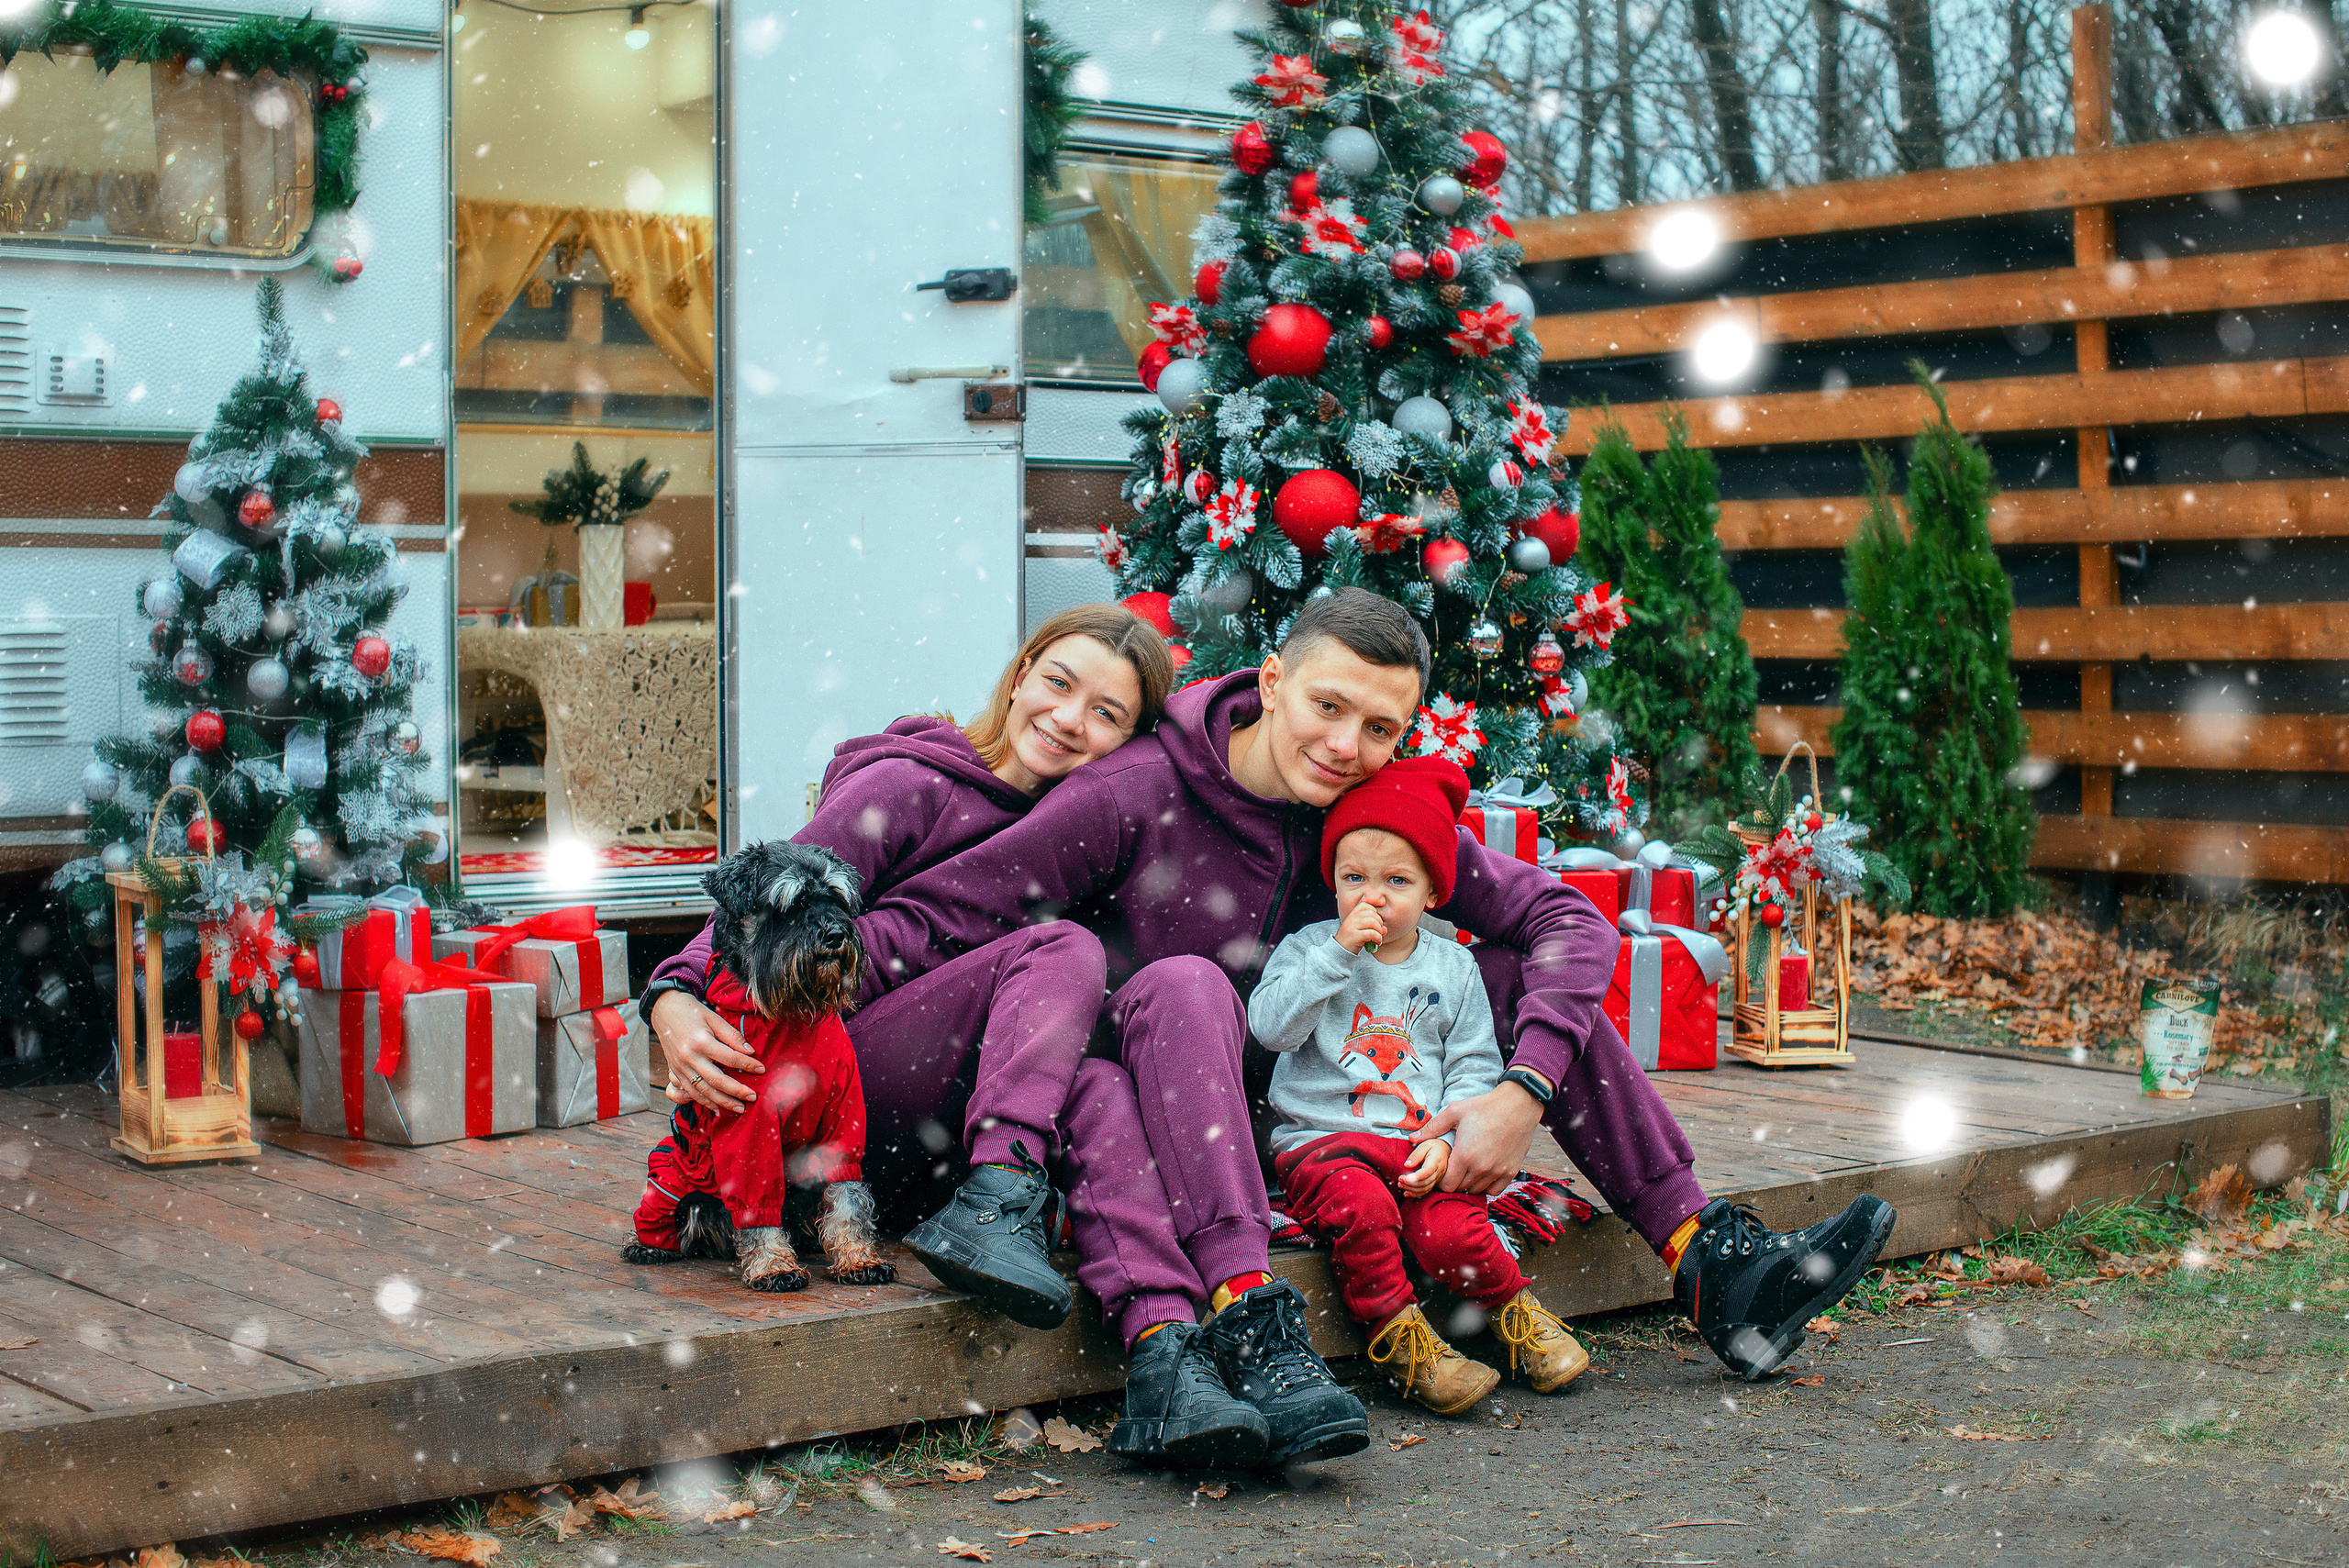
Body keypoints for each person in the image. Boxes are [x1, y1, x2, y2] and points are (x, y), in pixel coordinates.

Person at [837, 588, 1894, 1470]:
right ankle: (1246, 1311)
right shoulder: (1132, 793)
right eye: (1327, 708)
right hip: (1133, 1115)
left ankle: (1708, 1257)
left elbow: (1561, 918)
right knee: (1186, 981)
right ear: (1269, 682)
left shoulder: (1365, 806)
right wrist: (729, 995)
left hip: (1298, 1115)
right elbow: (944, 915)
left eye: (1380, 728)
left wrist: (1514, 1092)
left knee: (1509, 963)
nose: (1345, 747)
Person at [642, 603, 1174, 1330]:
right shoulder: (911, 784)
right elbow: (769, 896)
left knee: (1097, 1076)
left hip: (931, 1139)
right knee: (1064, 947)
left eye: (1107, 712)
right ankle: (998, 1198)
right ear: (1020, 678)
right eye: (1058, 681)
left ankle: (1162, 1328)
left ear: (1128, 743)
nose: (1070, 717)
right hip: (840, 1082)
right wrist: (674, 992)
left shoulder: (1088, 840)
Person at [1249, 755, 1586, 1418]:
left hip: (1417, 1141)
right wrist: (1335, 956)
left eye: (1395, 880)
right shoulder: (1309, 948)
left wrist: (1456, 1135)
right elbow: (1270, 1028)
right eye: (1354, 877)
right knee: (1363, 1211)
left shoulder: (1453, 966)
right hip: (1323, 1142)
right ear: (1334, 880)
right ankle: (1401, 1339)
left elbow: (1472, 1065)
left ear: (1432, 890)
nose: (1371, 896)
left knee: (1453, 1229)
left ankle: (1514, 1315)